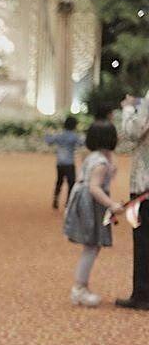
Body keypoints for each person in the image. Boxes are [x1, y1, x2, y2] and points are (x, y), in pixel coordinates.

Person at [63, 119, 123, 307]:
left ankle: (82, 287)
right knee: (91, 246)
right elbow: (95, 188)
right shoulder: (100, 163)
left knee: (92, 246)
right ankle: (79, 288)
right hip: (91, 204)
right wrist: (112, 205)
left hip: (86, 201)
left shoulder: (94, 157)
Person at [116, 92, 149, 310]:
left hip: (145, 183)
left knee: (143, 238)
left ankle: (143, 294)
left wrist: (128, 108)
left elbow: (134, 131)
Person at [45, 116, 83, 209]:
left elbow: (49, 141)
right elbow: (82, 143)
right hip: (69, 163)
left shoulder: (59, 135)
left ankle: (56, 198)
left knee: (59, 181)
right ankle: (68, 202)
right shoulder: (74, 136)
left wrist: (47, 133)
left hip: (60, 163)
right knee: (71, 183)